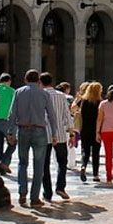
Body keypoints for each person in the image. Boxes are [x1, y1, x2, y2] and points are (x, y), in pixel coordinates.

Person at [7, 69, 59, 207]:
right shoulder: (44, 93)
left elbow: (12, 113)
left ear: (25, 79)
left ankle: (22, 193)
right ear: (38, 81)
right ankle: (34, 197)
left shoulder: (18, 92)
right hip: (40, 130)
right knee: (39, 164)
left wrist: (10, 132)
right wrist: (54, 134)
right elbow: (51, 115)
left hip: (23, 129)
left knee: (22, 163)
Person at [40, 72, 74, 202]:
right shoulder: (61, 96)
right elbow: (67, 115)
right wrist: (71, 133)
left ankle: (47, 192)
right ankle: (60, 186)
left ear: (40, 82)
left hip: (44, 134)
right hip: (60, 134)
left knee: (45, 164)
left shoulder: (41, 96)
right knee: (62, 162)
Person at [78, 82, 103, 183]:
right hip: (96, 129)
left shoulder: (83, 101)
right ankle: (95, 175)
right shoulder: (100, 102)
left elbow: (76, 110)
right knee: (96, 152)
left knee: (85, 150)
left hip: (85, 129)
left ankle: (83, 165)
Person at [0, 73, 16, 174]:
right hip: (7, 120)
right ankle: (5, 162)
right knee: (13, 143)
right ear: (9, 81)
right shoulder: (12, 91)